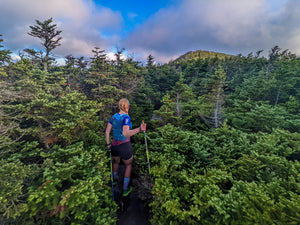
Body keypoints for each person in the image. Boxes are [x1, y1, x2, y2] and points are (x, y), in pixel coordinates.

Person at [105, 98, 146, 196]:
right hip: (124, 146)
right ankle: (125, 189)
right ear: (127, 106)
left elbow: (107, 132)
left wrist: (108, 144)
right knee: (128, 165)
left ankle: (114, 180)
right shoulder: (126, 118)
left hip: (114, 145)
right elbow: (126, 133)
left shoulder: (113, 117)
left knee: (115, 161)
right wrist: (140, 129)